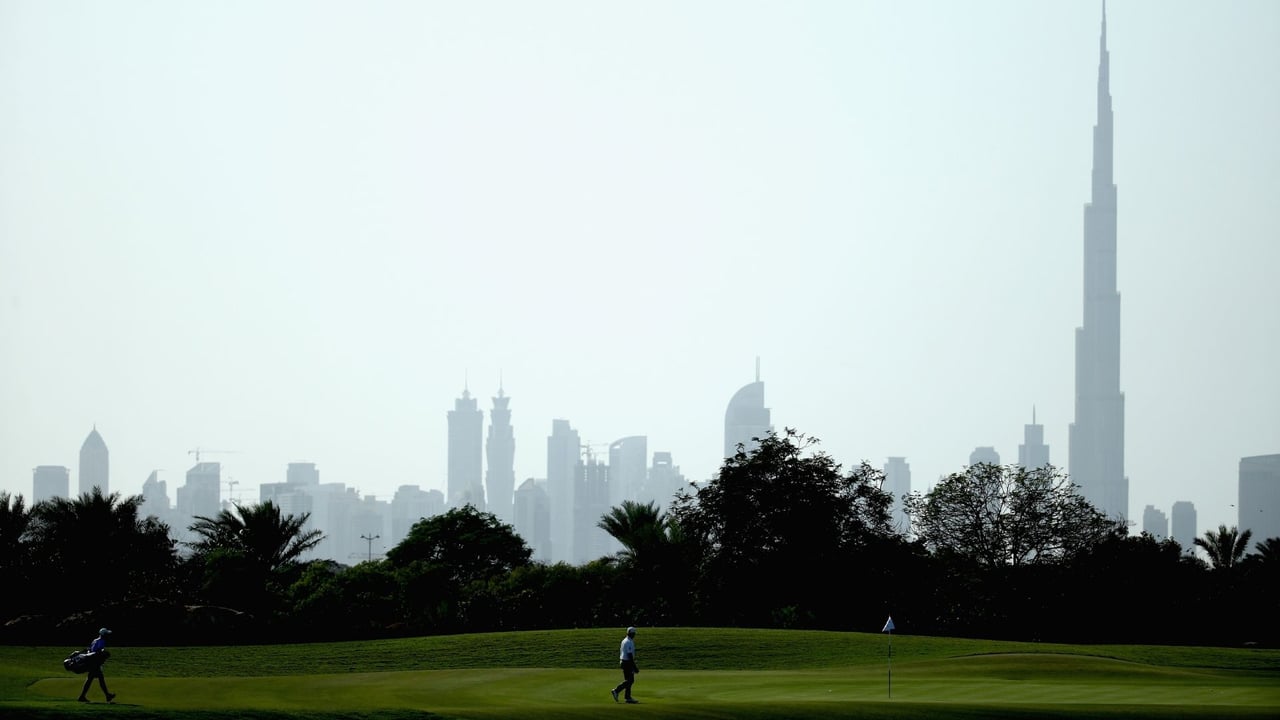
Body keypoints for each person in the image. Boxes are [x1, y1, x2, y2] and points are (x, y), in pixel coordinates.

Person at [78, 627, 115, 703]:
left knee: (92, 679)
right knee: (97, 679)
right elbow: (98, 651)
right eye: (106, 634)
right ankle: (107, 696)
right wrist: (104, 652)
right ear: (103, 635)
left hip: (91, 662)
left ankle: (107, 695)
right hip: (95, 662)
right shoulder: (102, 641)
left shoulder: (95, 640)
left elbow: (90, 650)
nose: (108, 636)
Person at [610, 626, 639, 704]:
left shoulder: (626, 640)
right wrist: (634, 667)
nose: (634, 635)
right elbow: (629, 655)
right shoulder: (628, 642)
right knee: (630, 680)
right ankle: (616, 690)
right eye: (634, 633)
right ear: (631, 633)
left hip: (625, 662)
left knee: (629, 680)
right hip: (627, 662)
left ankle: (628, 697)